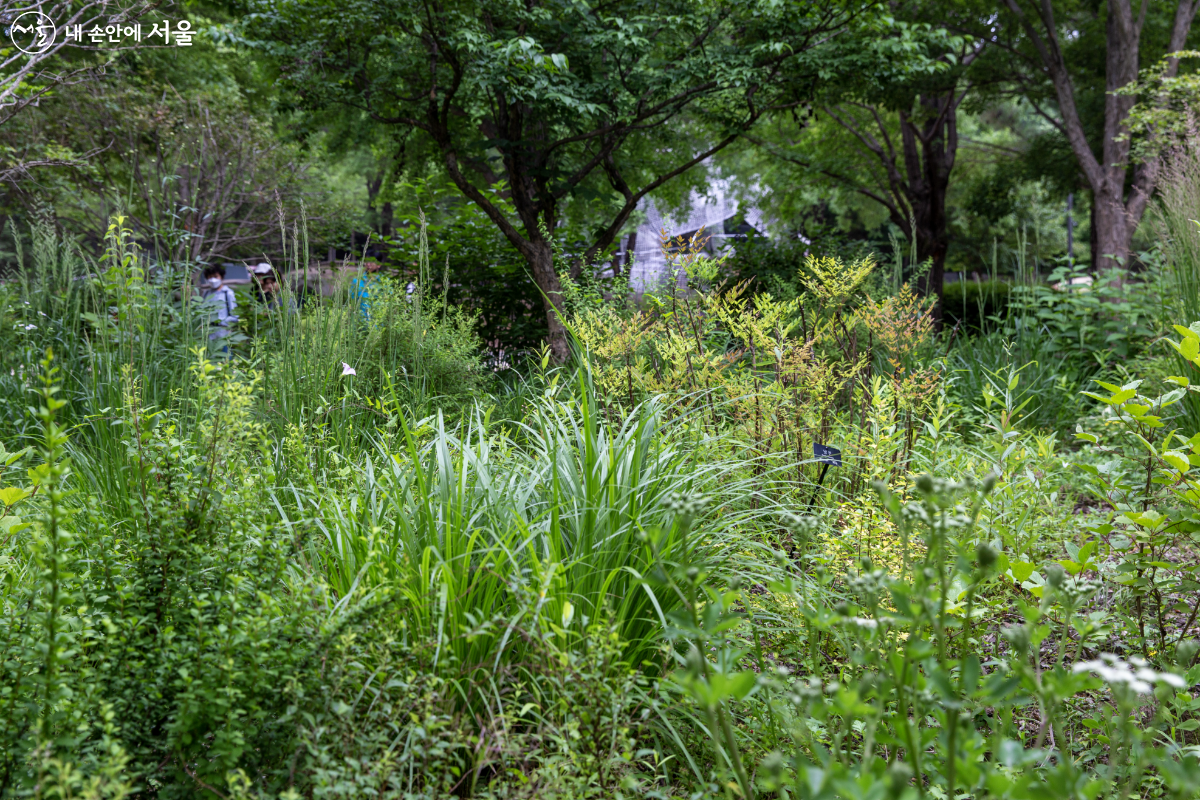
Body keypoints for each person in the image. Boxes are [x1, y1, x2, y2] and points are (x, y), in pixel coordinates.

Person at [200, 264, 238, 351]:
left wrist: (222, 322)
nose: (213, 279)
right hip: (209, 333)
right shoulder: (206, 293)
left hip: (224, 331)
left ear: (221, 276)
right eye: (210, 277)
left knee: (225, 359)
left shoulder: (228, 293)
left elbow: (235, 316)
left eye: (215, 276)